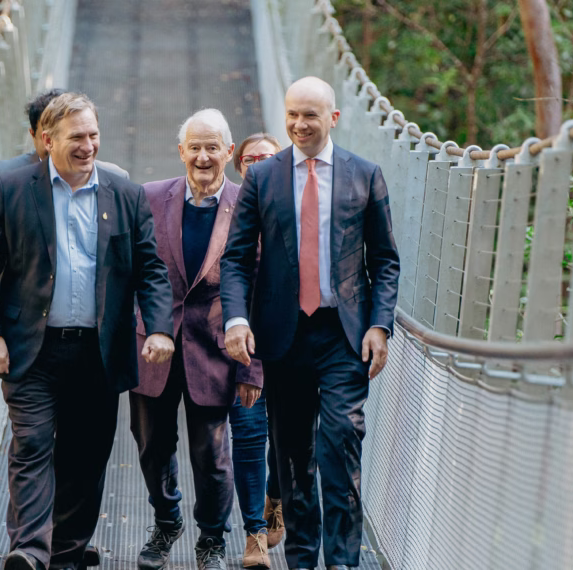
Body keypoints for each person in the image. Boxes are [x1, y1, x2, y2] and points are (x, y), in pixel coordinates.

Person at [0, 92, 175, 570]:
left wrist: (159, 328)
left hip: (97, 352)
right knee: (32, 445)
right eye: (76, 137)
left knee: (86, 456)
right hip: (32, 350)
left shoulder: (124, 193)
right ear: (47, 139)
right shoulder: (12, 185)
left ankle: (64, 553)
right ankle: (29, 550)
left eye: (93, 135)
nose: (88, 146)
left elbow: (150, 269)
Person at [220, 77, 401, 570]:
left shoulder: (365, 175)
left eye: (310, 116)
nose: (299, 125)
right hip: (284, 335)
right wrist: (236, 318)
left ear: (333, 118)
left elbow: (385, 261)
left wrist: (380, 325)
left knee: (340, 442)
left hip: (344, 333)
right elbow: (237, 258)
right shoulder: (263, 177)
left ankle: (341, 562)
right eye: (292, 115)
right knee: (294, 456)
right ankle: (301, 560)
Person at [129, 109, 262, 570]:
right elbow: (130, 273)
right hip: (154, 347)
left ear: (229, 152)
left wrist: (252, 369)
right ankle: (167, 521)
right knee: (151, 447)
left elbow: (260, 292)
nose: (203, 157)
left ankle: (211, 537)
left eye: (212, 148)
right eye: (195, 147)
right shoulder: (148, 198)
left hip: (216, 352)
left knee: (212, 454)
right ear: (181, 151)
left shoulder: (249, 205)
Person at [225, 132, 284, 570]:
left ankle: (275, 496)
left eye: (269, 157)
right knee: (248, 435)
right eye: (251, 159)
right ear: (240, 165)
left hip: (289, 345)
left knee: (290, 439)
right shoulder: (226, 209)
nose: (259, 164)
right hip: (241, 345)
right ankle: (255, 535)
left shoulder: (299, 205)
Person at [0, 88, 128, 205]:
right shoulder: (5, 180)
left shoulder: (116, 179)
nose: (54, 146)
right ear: (37, 136)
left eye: (92, 135)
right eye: (76, 137)